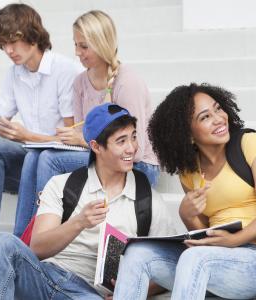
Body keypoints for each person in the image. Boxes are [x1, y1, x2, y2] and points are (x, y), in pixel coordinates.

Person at [0, 103, 175, 299]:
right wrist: (78, 223)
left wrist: (129, 292)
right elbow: (37, 248)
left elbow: (170, 267)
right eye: (121, 141)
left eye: (133, 137)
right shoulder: (62, 185)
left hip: (87, 292)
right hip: (43, 277)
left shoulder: (147, 201)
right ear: (96, 146)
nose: (131, 148)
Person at [114, 83, 256, 300]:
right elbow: (204, 235)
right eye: (205, 117)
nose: (219, 118)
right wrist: (187, 216)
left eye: (218, 108)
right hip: (212, 257)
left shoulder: (250, 144)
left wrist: (232, 242)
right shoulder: (189, 173)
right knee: (136, 254)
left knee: (195, 258)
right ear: (188, 134)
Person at [14, 10, 159, 237]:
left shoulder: (127, 82)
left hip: (138, 165)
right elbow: (84, 132)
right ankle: (20, 237)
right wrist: (72, 137)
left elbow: (135, 149)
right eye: (76, 45)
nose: (77, 53)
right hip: (102, 155)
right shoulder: (81, 81)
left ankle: (41, 236)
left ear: (101, 43)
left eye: (83, 46)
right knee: (33, 157)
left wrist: (82, 139)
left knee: (48, 160)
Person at [0, 3, 80, 276]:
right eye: (3, 44)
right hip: (30, 153)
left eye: (13, 41)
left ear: (32, 35)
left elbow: (70, 140)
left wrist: (26, 135)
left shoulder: (65, 70)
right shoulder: (14, 74)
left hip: (57, 161)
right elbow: (2, 118)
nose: (9, 50)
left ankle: (2, 247)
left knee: (30, 155)